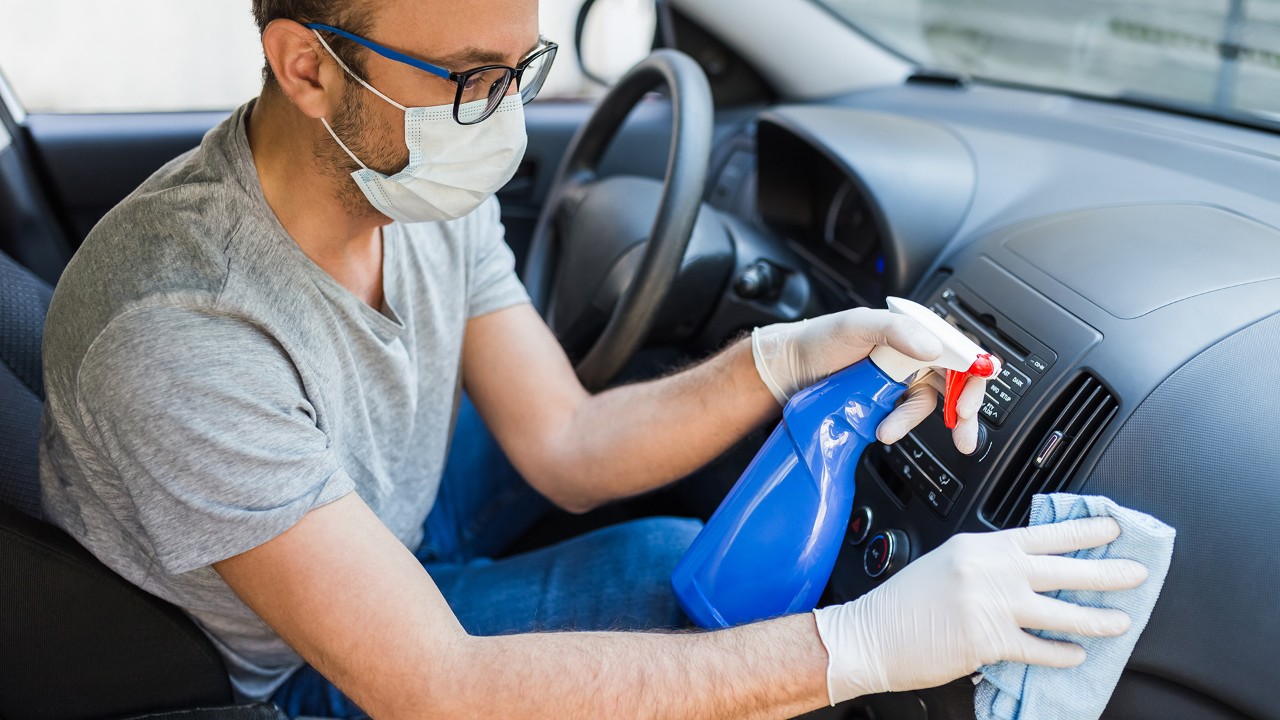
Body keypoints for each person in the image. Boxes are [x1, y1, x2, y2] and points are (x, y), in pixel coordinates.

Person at [38, 0, 1148, 717]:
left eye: (522, 68)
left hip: (381, 504)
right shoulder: (179, 331)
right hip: (299, 665)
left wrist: (788, 353)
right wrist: (857, 646)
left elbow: (564, 445)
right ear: (309, 69)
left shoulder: (411, 184)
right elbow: (436, 686)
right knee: (687, 585)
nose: (504, 117)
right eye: (471, 79)